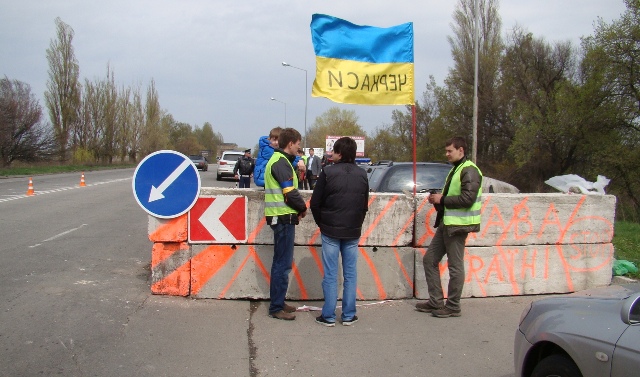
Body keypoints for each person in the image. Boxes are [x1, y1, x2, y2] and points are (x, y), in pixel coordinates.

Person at [416, 137, 482, 318]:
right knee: (430, 260)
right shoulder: (457, 169)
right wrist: (438, 200)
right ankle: (436, 301)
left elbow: (467, 199)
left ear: (461, 150)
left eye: (449, 151)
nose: (446, 154)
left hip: (458, 226)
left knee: (455, 266)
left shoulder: (469, 170)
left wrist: (442, 199)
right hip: (448, 223)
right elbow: (456, 197)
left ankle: (453, 306)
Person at [310, 137, 369, 326]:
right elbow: (364, 205)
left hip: (330, 230)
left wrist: (323, 223)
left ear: (340, 154)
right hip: (352, 230)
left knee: (330, 273)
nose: (331, 155)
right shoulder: (362, 174)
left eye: (334, 152)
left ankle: (328, 316)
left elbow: (315, 203)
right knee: (350, 273)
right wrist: (356, 223)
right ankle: (348, 315)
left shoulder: (327, 172)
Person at [264, 127, 307, 320]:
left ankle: (279, 302)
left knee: (281, 262)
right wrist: (303, 208)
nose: (299, 148)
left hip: (282, 217)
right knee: (282, 263)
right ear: (290, 143)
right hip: (282, 218)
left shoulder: (280, 161)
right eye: (298, 144)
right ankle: (276, 308)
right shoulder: (280, 162)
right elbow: (289, 192)